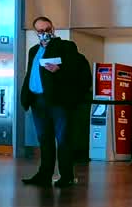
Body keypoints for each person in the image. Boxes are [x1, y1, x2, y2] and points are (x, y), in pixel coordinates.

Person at [20, 16, 91, 188]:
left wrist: (59, 70)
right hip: (38, 101)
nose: (44, 33)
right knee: (44, 139)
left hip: (58, 102)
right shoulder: (33, 50)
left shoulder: (65, 46)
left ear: (53, 29)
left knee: (63, 139)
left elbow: (75, 71)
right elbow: (31, 73)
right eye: (40, 31)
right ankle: (44, 174)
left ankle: (66, 175)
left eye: (47, 30)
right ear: (36, 33)